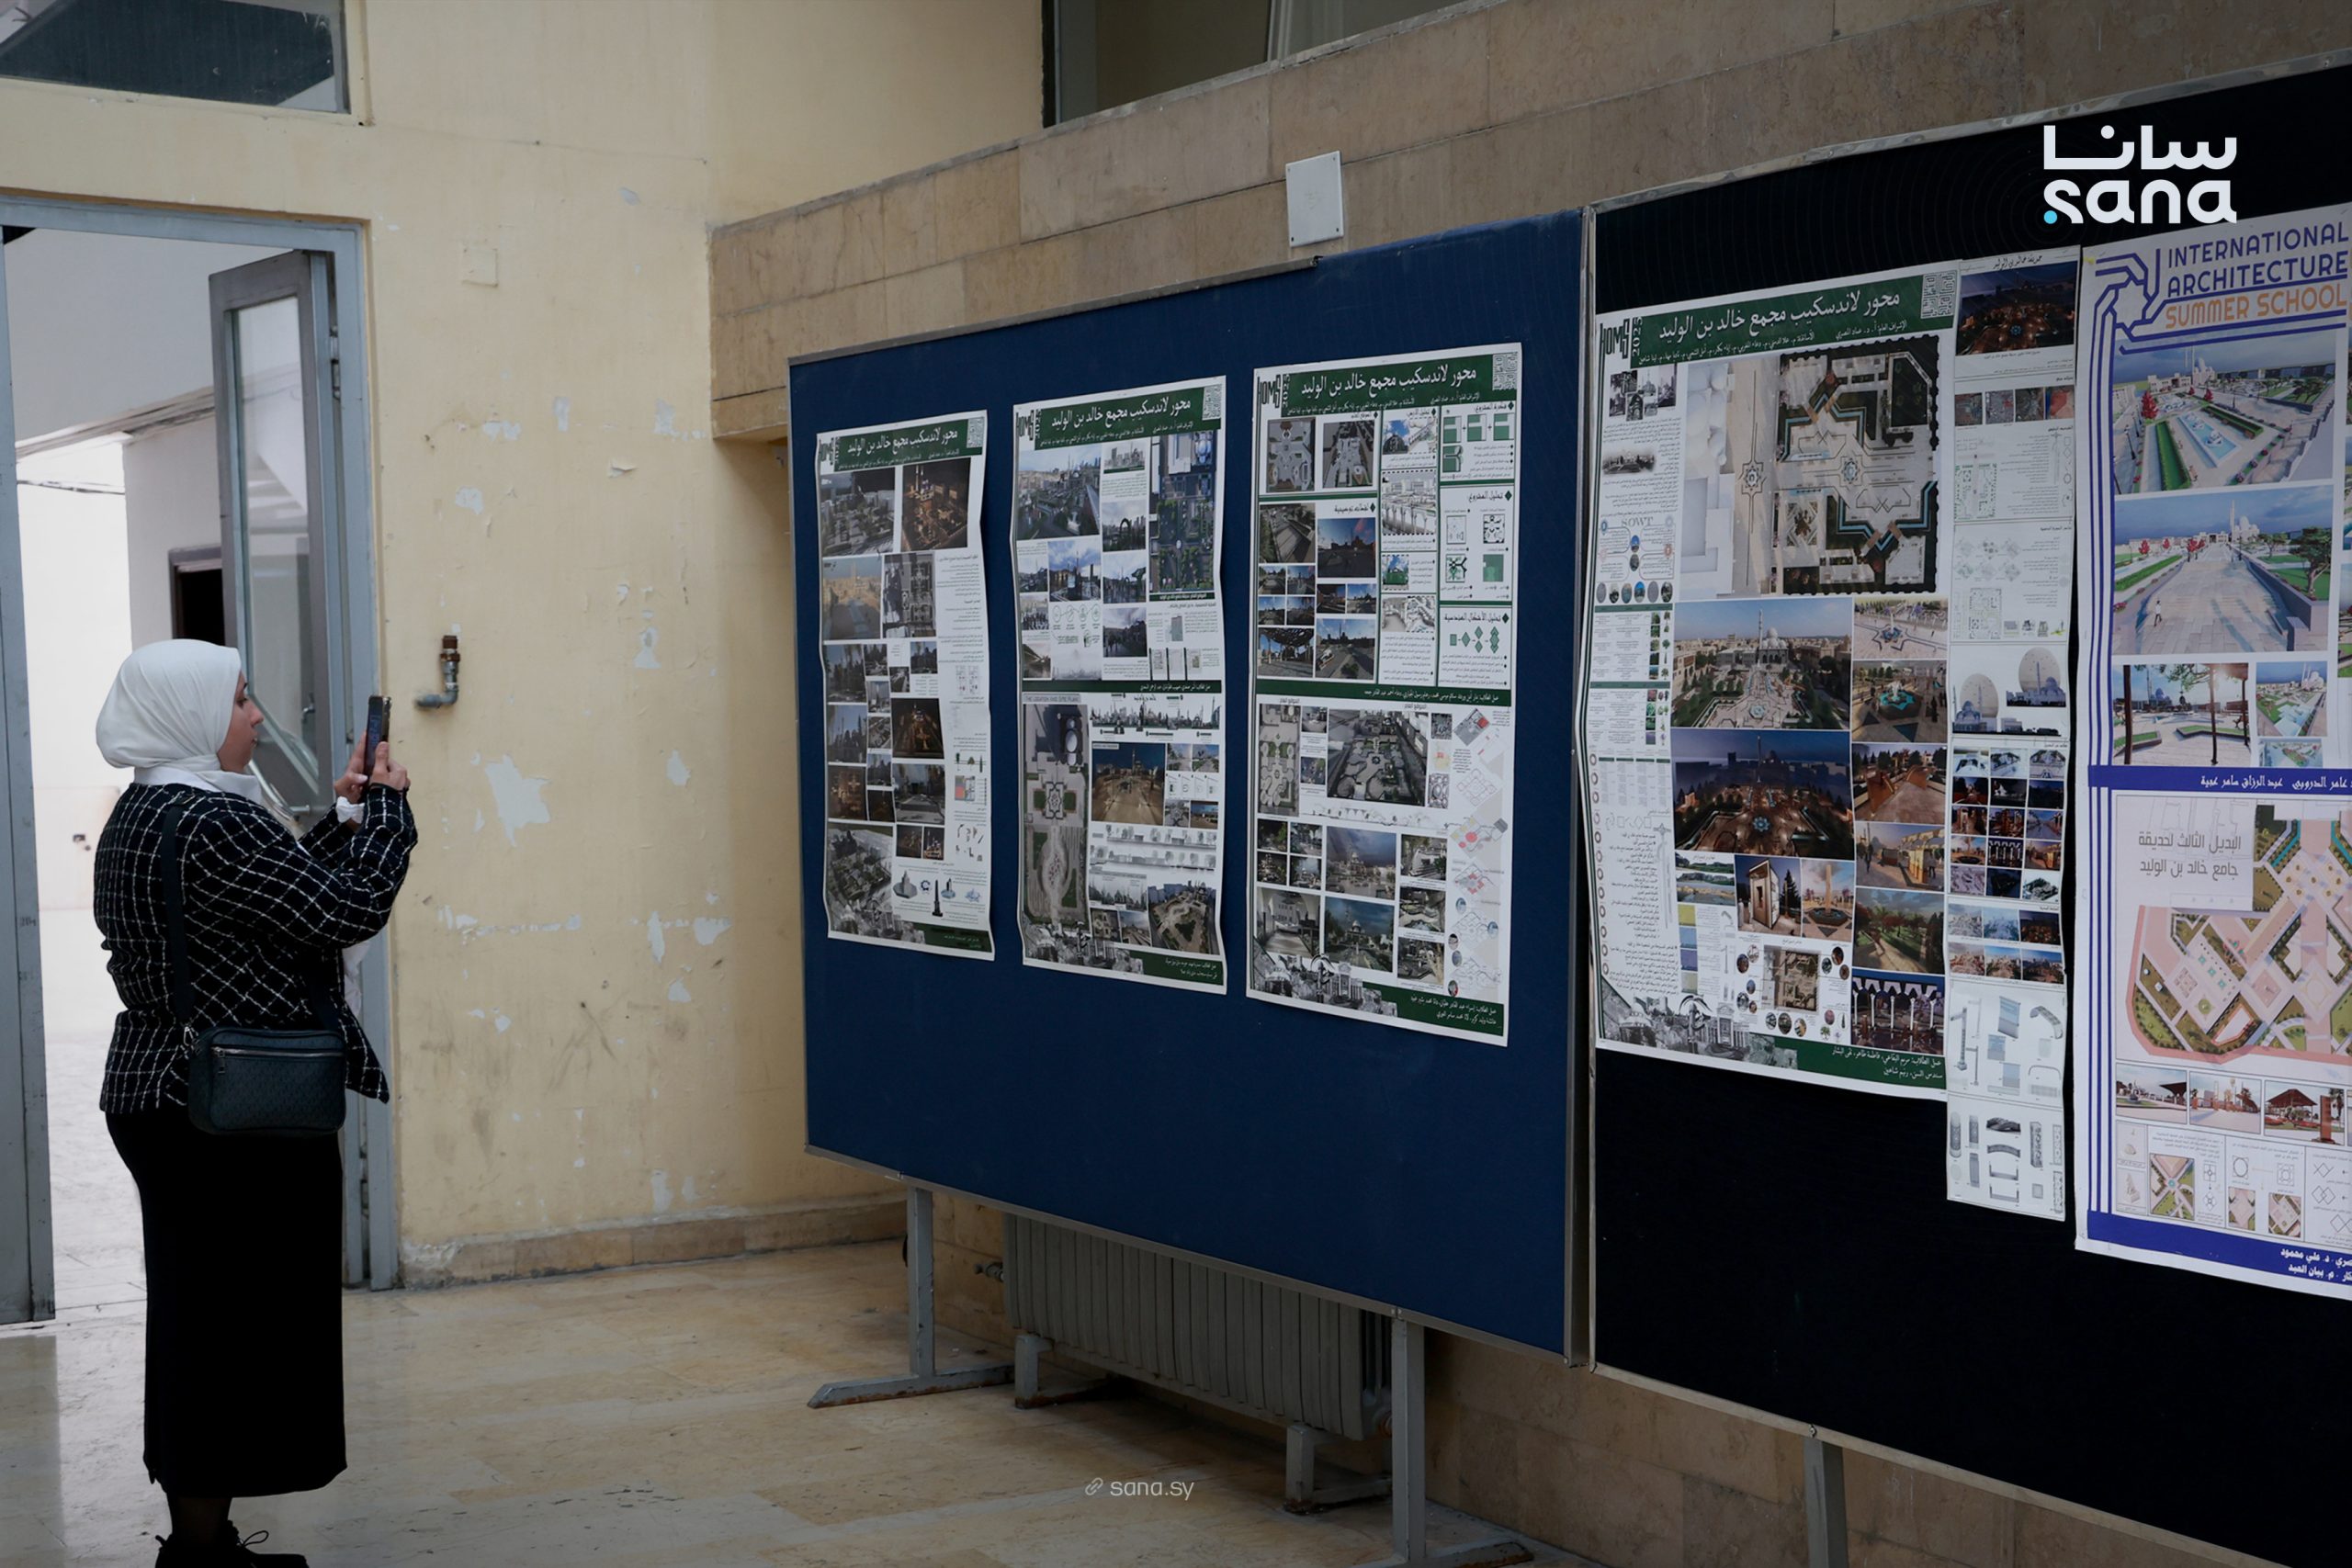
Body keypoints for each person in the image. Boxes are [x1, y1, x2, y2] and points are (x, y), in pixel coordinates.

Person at [90, 641, 415, 1566]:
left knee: (202, 1324)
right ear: (191, 713)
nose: (257, 717)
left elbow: (272, 900)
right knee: (226, 1337)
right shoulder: (215, 821)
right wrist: (388, 813)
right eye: (240, 700)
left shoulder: (150, 811)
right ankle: (200, 1551)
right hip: (229, 1115)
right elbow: (342, 912)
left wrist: (342, 818)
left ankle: (202, 1540)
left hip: (167, 1097)